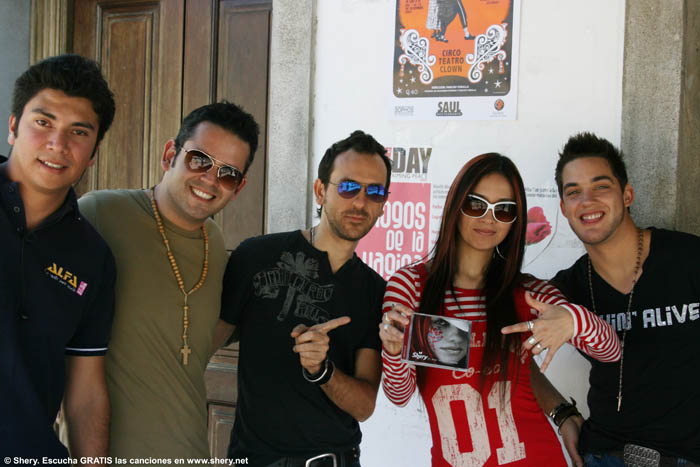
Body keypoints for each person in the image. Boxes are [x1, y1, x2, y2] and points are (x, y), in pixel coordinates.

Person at [380, 153, 621, 466]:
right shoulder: (412, 286)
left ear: (515, 221)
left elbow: (611, 351)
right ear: (455, 204)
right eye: (476, 204)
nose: (489, 218)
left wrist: (573, 320)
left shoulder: (528, 293)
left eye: (504, 209)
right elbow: (399, 395)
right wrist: (393, 351)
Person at [77, 101, 259, 460]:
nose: (210, 180)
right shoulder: (99, 214)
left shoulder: (215, 242)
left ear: (238, 188)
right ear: (169, 155)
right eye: (199, 160)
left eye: (228, 174)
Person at [213, 130, 390, 466]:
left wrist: (322, 369)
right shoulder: (256, 256)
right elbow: (205, 344)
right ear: (321, 190)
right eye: (348, 187)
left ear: (384, 205)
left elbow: (364, 406)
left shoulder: (375, 291)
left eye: (375, 192)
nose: (360, 202)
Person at [548, 132, 700, 466]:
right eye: (573, 192)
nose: (587, 201)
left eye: (601, 186)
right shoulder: (567, 288)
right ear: (564, 208)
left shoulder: (689, 258)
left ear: (627, 194)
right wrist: (561, 412)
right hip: (604, 455)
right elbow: (505, 345)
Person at [0, 54, 116, 458]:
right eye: (43, 122)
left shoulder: (93, 257)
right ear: (13, 127)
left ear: (94, 152)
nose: (57, 144)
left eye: (78, 132)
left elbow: (86, 393)